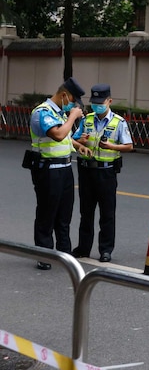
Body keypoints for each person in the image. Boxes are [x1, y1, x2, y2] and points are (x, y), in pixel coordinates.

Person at [27, 77, 90, 270]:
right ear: (64, 95)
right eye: (72, 101)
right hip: (47, 170)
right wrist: (72, 117)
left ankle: (64, 253)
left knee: (64, 214)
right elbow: (58, 134)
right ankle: (44, 254)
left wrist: (79, 146)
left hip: (64, 169)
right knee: (47, 213)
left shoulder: (61, 114)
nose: (72, 105)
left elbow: (66, 139)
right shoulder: (42, 112)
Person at [71, 84, 133, 263]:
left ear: (109, 101)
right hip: (86, 171)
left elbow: (129, 146)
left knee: (107, 214)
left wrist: (112, 147)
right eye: (94, 102)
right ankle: (83, 248)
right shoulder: (87, 119)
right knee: (86, 212)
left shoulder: (118, 122)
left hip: (106, 172)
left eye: (101, 102)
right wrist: (80, 143)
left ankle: (105, 250)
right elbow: (73, 140)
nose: (97, 106)